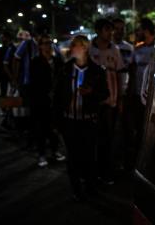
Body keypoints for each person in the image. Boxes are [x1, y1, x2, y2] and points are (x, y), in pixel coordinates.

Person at [53, 35, 109, 200]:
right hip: (69, 121)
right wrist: (56, 121)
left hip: (88, 121)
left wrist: (91, 93)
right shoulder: (65, 69)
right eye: (72, 46)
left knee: (90, 156)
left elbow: (105, 94)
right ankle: (76, 189)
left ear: (84, 48)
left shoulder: (97, 70)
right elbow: (56, 97)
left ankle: (91, 187)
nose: (72, 49)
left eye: (75, 46)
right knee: (72, 157)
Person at [90, 18, 124, 184]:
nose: (111, 33)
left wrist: (120, 100)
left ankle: (105, 172)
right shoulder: (89, 50)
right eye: (107, 30)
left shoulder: (115, 50)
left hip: (110, 102)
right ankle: (91, 171)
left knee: (107, 138)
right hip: (92, 103)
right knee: (91, 138)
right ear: (98, 31)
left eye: (112, 30)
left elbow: (119, 75)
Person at [30, 34, 65, 167]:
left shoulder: (57, 61)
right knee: (41, 128)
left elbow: (62, 79)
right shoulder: (36, 62)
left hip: (56, 100)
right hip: (41, 100)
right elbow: (35, 82)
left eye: (49, 43)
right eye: (44, 43)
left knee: (55, 127)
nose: (47, 46)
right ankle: (42, 154)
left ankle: (55, 150)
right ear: (40, 46)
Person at [126, 18, 155, 169]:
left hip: (152, 97)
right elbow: (132, 71)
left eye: (140, 30)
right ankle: (137, 160)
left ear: (146, 30)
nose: (138, 32)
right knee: (138, 127)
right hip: (137, 96)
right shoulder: (137, 49)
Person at [112, 18, 134, 169]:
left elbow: (132, 70)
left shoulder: (130, 48)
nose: (120, 32)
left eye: (122, 29)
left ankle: (124, 160)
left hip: (126, 94)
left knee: (125, 128)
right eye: (117, 28)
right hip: (111, 94)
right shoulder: (108, 48)